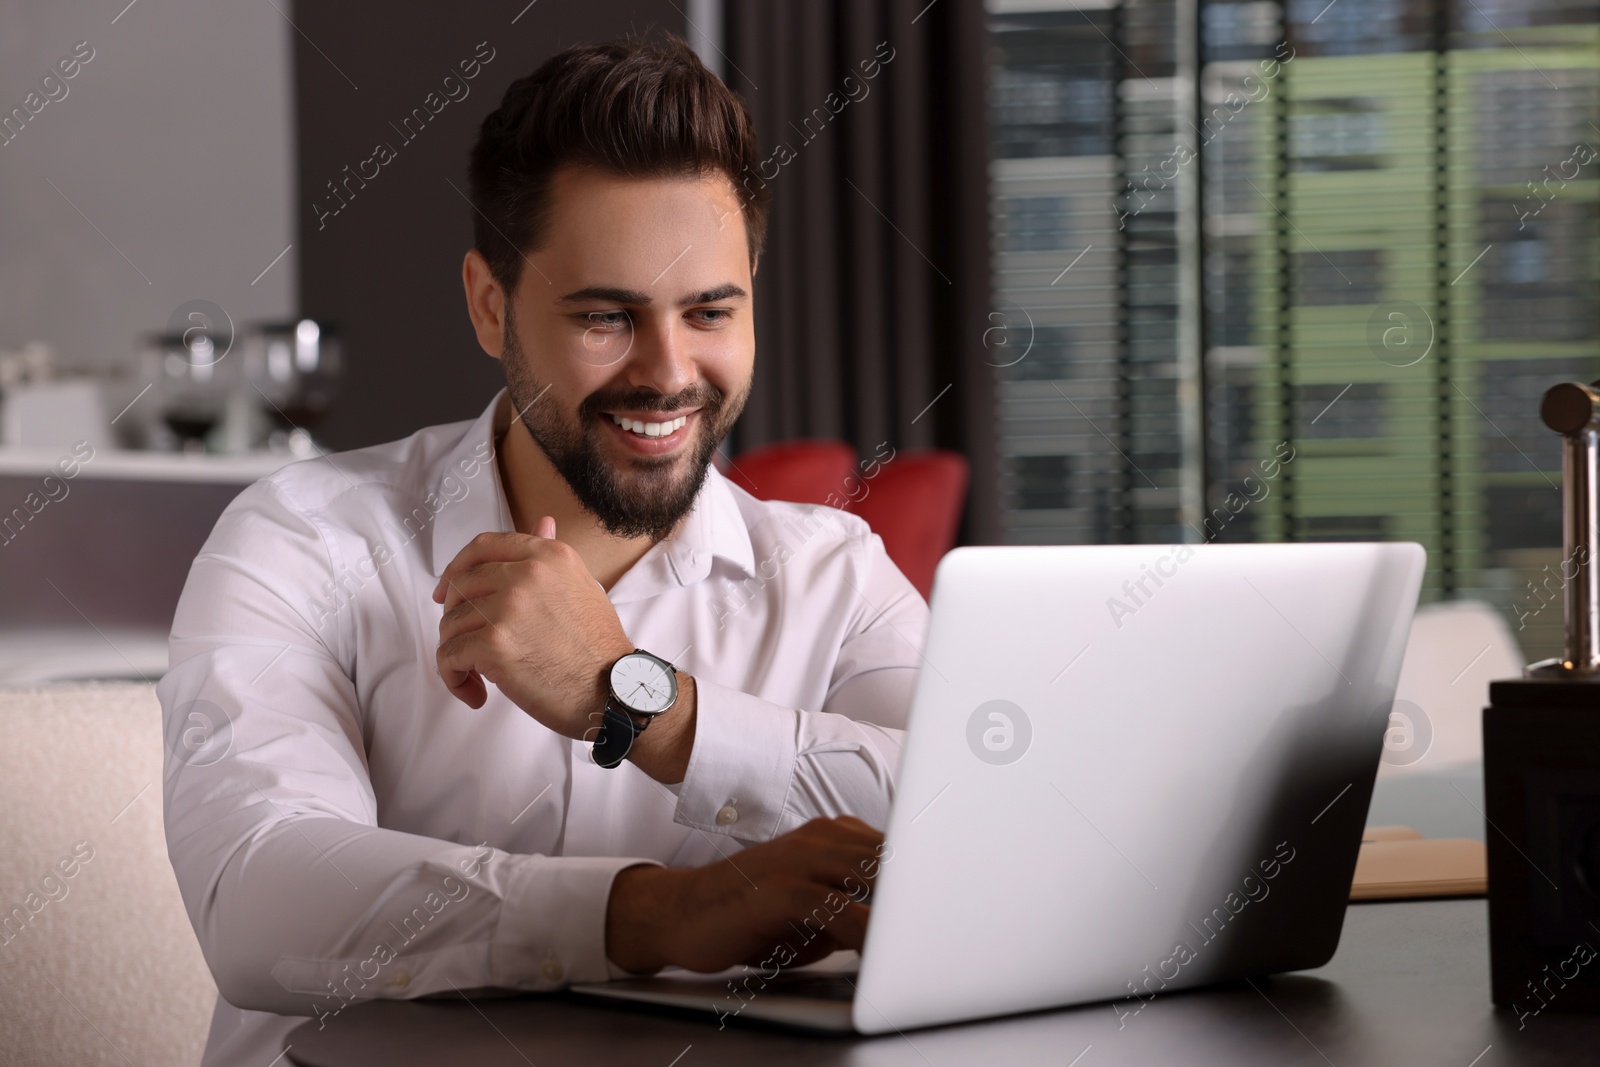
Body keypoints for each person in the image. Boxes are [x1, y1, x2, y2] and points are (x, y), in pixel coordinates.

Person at [159, 34, 926, 1064]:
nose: (667, 371)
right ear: (490, 305)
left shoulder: (837, 574)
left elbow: (968, 827)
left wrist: (641, 699)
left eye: (710, 310)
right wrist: (656, 914)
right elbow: (257, 896)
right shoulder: (297, 538)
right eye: (607, 315)